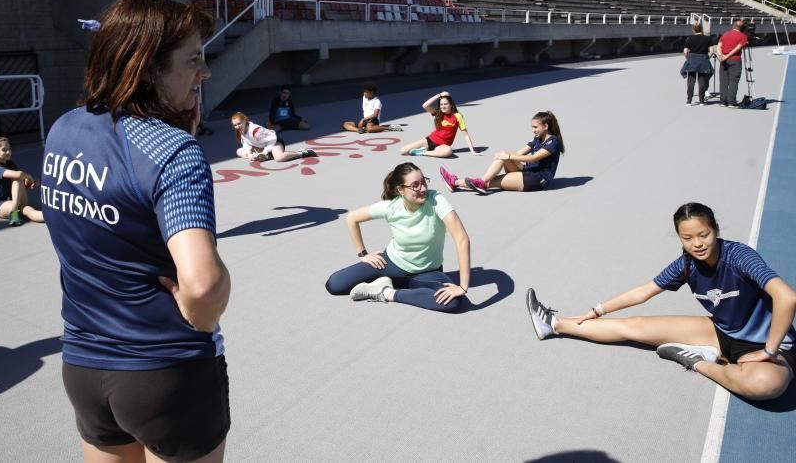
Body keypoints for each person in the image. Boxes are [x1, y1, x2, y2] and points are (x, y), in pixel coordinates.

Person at [41, 0, 231, 463]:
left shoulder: (64, 127)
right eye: (193, 61)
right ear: (148, 68)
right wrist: (200, 314)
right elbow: (203, 286)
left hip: (84, 365)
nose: (204, 73)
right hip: (166, 372)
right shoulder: (172, 151)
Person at [525, 202, 795, 401]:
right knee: (632, 327)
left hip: (773, 345)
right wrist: (596, 310)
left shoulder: (739, 256)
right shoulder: (686, 265)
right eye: (687, 238)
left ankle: (699, 363)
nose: (697, 244)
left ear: (715, 229)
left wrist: (770, 350)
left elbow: (787, 297)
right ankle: (553, 323)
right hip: (721, 333)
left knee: (766, 384)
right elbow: (643, 292)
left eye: (704, 235)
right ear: (679, 238)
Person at [324, 162, 472, 313]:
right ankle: (392, 283)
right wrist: (363, 254)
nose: (423, 188)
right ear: (401, 189)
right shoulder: (391, 207)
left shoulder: (436, 200)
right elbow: (352, 219)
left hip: (428, 271)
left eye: (424, 182)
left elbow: (461, 239)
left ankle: (386, 292)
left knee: (453, 302)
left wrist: (462, 287)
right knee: (334, 285)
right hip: (391, 264)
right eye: (415, 185)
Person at [439, 110, 564, 195]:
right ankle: (481, 182)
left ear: (546, 126)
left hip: (537, 180)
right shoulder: (537, 139)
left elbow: (534, 158)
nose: (532, 130)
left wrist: (509, 155)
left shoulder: (553, 142)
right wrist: (504, 155)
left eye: (535, 127)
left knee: (494, 181)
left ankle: (456, 182)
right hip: (527, 171)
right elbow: (520, 153)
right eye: (532, 127)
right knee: (503, 156)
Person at [398, 91, 480, 158]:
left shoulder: (458, 116)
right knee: (403, 151)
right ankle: (427, 151)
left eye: (446, 104)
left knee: (448, 151)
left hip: (442, 146)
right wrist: (439, 95)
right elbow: (425, 105)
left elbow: (465, 134)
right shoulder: (438, 113)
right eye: (441, 104)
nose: (443, 107)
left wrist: (472, 151)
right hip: (429, 141)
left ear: (451, 105)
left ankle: (424, 152)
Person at [0, 136, 45, 226]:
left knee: (18, 178)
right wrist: (29, 177)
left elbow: (18, 184)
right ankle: (14, 213)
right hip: (2, 204)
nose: (8, 152)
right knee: (28, 210)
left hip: (18, 201)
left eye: (9, 149)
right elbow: (19, 175)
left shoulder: (10, 165)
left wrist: (29, 184)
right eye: (4, 150)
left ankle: (58, 218)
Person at [231, 112, 316, 162]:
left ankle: (301, 153)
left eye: (239, 123)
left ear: (244, 121)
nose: (237, 126)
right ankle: (266, 156)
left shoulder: (255, 130)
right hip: (260, 146)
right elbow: (247, 143)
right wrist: (249, 154)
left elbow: (273, 138)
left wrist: (265, 151)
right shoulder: (241, 131)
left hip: (275, 143)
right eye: (235, 125)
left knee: (280, 158)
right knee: (239, 151)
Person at [717, 19, 749, 108]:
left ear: (734, 26)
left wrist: (721, 55)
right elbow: (738, 48)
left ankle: (723, 101)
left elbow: (719, 46)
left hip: (723, 60)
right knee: (733, 81)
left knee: (723, 81)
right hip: (735, 60)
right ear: (742, 28)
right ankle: (731, 102)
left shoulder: (725, 34)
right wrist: (727, 56)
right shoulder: (743, 36)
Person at [681, 22, 715, 105]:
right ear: (702, 29)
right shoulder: (708, 39)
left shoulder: (689, 39)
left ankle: (689, 100)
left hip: (692, 60)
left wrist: (688, 58)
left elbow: (685, 51)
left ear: (693, 29)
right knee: (702, 81)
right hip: (703, 60)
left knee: (691, 81)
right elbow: (711, 51)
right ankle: (702, 101)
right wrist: (708, 57)